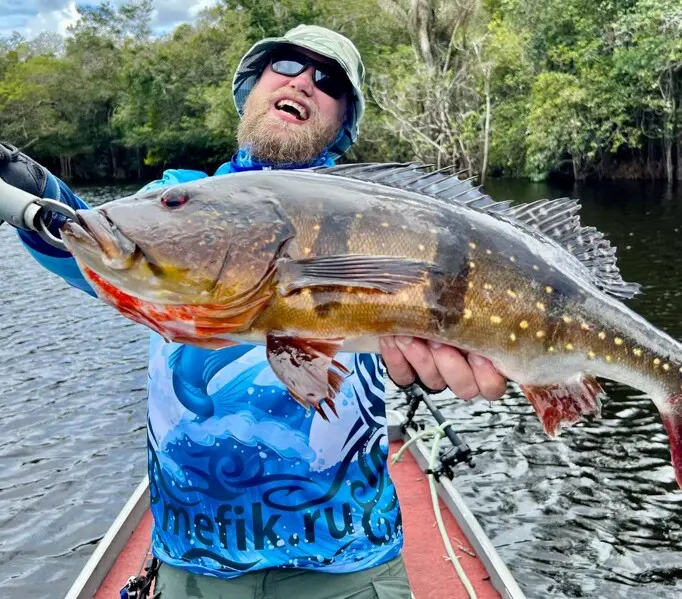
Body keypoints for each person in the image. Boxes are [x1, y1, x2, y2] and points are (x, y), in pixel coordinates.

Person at [0, 24, 507, 599]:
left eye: (329, 80)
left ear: (344, 123)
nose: (305, 83)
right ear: (251, 86)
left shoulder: (379, 217)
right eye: (285, 65)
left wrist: (440, 358)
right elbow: (97, 248)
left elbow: (453, 302)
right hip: (193, 563)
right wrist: (32, 187)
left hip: (349, 563)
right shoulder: (177, 198)